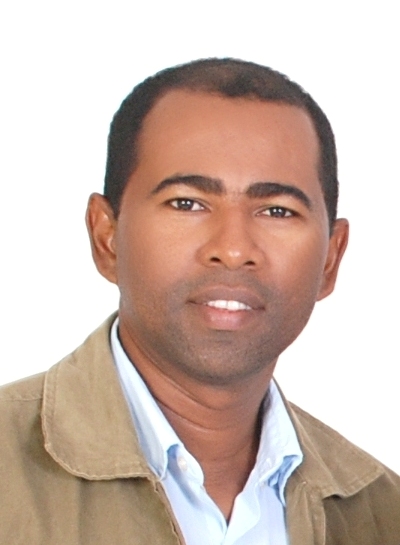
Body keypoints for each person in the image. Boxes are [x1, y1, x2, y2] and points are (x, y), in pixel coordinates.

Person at [1, 58, 399, 545]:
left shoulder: (382, 513)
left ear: (331, 260)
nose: (232, 249)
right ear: (106, 237)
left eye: (277, 210)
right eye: (187, 203)